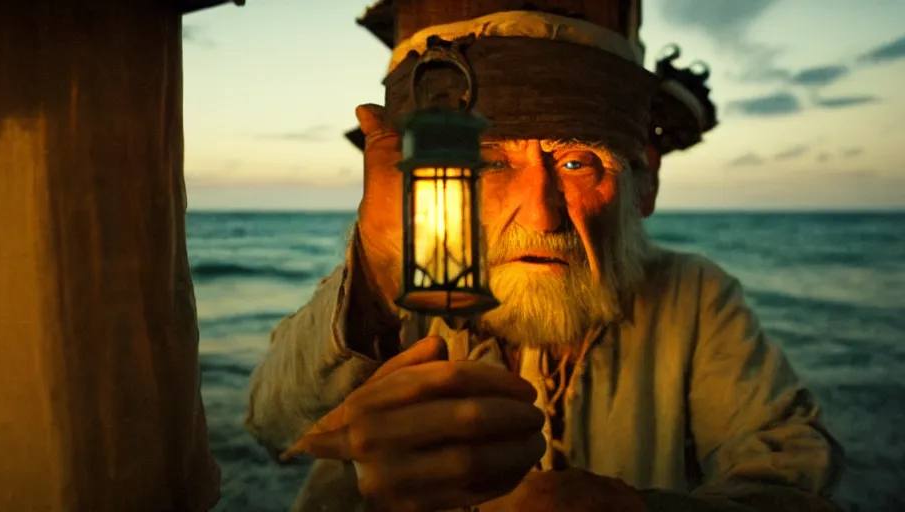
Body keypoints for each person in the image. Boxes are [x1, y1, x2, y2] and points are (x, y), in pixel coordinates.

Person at [245, 7, 844, 512]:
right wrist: (377, 268)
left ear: (644, 185)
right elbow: (274, 427)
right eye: (492, 164)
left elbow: (794, 467)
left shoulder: (693, 297)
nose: (541, 214)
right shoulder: (397, 304)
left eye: (578, 162)